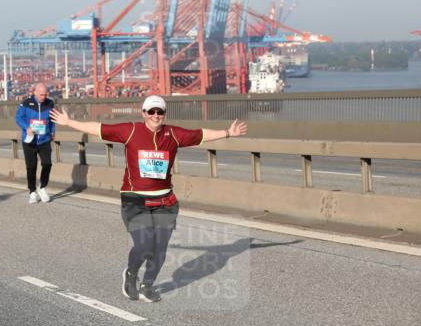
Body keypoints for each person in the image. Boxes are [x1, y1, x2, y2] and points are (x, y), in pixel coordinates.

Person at [51, 95, 247, 302]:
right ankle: (130, 274)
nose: (156, 115)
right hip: (135, 200)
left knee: (159, 248)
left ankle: (147, 285)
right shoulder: (131, 130)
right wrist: (69, 122)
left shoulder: (173, 134)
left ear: (164, 114)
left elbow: (199, 135)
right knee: (144, 246)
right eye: (151, 111)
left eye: (159, 112)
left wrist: (228, 133)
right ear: (143, 113)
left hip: (165, 202)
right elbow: (100, 128)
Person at [15, 83, 56, 203]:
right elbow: (18, 118)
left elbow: (52, 119)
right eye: (41, 94)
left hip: (44, 139)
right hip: (29, 140)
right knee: (31, 167)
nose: (43, 97)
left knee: (47, 163)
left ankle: (42, 187)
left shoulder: (50, 103)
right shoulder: (26, 103)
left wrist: (53, 131)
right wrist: (26, 127)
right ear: (35, 93)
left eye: (45, 94)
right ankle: (32, 191)